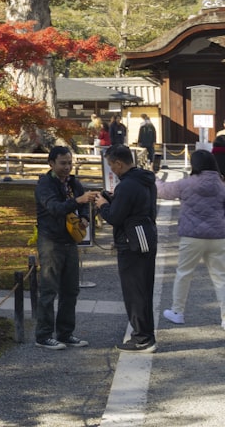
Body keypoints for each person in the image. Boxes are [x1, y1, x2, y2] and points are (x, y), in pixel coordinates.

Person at [96, 144, 159, 353]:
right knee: (144, 288)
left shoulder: (126, 185)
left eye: (111, 165)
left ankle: (142, 337)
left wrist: (102, 205)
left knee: (134, 291)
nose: (111, 169)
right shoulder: (145, 179)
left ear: (119, 163)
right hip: (146, 234)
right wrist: (113, 200)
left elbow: (115, 217)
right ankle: (145, 334)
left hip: (133, 240)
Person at [33, 145, 97, 349]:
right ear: (51, 163)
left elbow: (85, 205)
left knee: (71, 290)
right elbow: (54, 208)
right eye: (63, 163)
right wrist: (78, 200)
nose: (67, 167)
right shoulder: (45, 185)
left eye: (69, 163)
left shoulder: (73, 183)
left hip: (70, 241)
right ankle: (43, 336)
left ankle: (65, 333)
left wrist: (86, 217)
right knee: (49, 289)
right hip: (50, 241)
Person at [156, 150, 225, 329]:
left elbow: (163, 191)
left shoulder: (187, 183)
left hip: (191, 236)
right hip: (218, 236)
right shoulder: (221, 184)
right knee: (220, 277)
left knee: (184, 273)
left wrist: (155, 179)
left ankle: (177, 312)